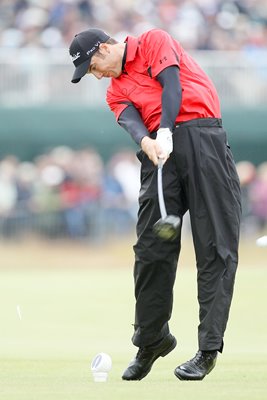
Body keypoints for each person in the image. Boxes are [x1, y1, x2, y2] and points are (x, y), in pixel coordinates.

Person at [69, 28, 241, 381]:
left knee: (215, 248)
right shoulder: (115, 92)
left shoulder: (153, 41)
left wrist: (164, 129)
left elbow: (172, 86)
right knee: (151, 249)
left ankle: (207, 350)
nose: (96, 74)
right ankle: (152, 340)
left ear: (104, 48)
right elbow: (132, 124)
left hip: (202, 139)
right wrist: (148, 142)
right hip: (160, 159)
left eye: (93, 65)